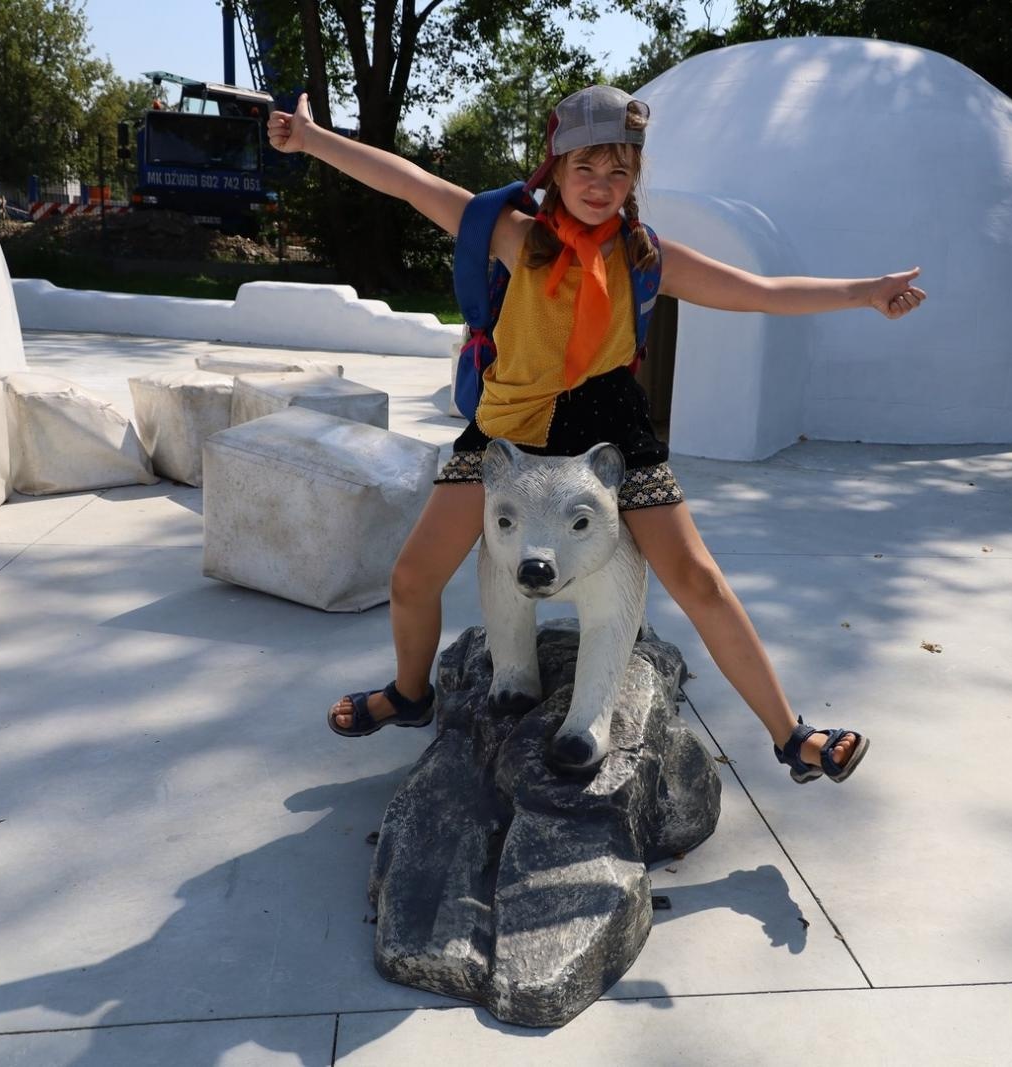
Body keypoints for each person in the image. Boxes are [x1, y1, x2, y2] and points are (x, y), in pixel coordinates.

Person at [267, 85, 925, 785]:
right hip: (509, 427)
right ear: (555, 167)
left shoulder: (644, 257)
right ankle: (409, 692)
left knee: (699, 579)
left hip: (608, 424)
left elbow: (758, 291)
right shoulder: (511, 233)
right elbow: (409, 183)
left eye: (619, 173)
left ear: (634, 177)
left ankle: (792, 735)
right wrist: (311, 140)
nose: (602, 187)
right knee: (411, 578)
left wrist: (864, 290)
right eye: (586, 169)